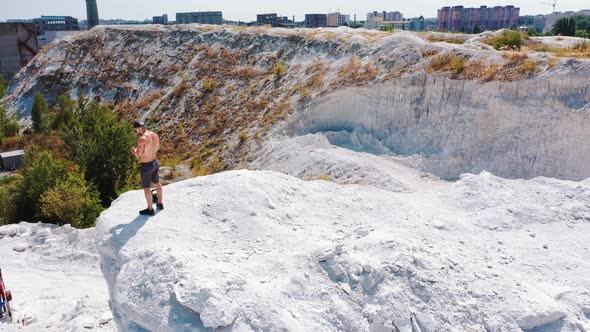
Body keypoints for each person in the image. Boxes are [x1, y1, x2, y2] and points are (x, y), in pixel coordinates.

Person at [130, 121, 163, 216]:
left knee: (146, 187)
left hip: (146, 165)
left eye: (135, 130)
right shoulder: (154, 135)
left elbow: (139, 155)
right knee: (157, 183)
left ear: (138, 128)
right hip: (155, 162)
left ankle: (150, 209)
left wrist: (134, 151)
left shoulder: (142, 139)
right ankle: (160, 203)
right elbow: (157, 148)